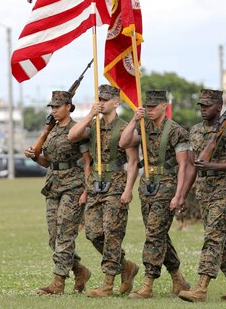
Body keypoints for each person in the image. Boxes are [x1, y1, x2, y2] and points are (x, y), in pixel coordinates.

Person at [67, 84, 139, 298]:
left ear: (116, 103)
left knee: (112, 234)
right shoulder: (94, 126)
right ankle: (125, 266)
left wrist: (128, 190)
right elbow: (72, 135)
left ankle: (108, 283)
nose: (102, 102)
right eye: (99, 98)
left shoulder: (125, 127)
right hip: (96, 187)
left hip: (116, 186)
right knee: (93, 233)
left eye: (106, 99)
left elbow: (133, 162)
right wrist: (90, 114)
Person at [178, 89, 226, 303]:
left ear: (219, 107)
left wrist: (211, 165)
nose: (202, 109)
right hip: (203, 190)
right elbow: (192, 165)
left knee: (212, 238)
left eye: (207, 105)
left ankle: (200, 288)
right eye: (201, 105)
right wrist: (182, 195)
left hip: (223, 190)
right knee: (218, 239)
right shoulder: (195, 131)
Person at [119, 89, 191, 299]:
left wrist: (179, 195)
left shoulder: (176, 131)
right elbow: (123, 143)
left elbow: (184, 165)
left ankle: (148, 283)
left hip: (167, 185)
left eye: (153, 106)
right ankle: (178, 277)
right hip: (147, 186)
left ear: (163, 106)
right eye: (146, 106)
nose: (149, 110)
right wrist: (134, 119)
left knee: (153, 235)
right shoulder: (143, 126)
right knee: (157, 234)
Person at [25, 90, 91, 295]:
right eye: (52, 107)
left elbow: (88, 161)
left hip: (74, 185)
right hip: (54, 185)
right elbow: (49, 162)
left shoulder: (77, 130)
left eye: (57, 106)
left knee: (65, 234)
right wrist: (35, 157)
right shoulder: (51, 131)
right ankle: (80, 270)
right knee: (54, 237)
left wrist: (87, 190)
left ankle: (58, 282)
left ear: (68, 107)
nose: (53, 110)